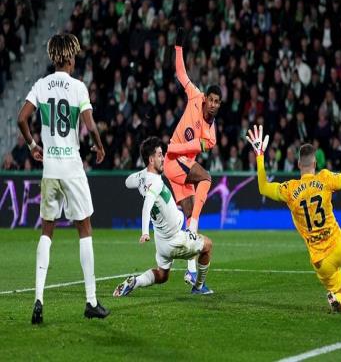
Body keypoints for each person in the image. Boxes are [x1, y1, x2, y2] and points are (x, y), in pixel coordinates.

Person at [247, 126, 341, 312]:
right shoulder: (325, 179)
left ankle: (336, 297)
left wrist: (259, 155)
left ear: (299, 164)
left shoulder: (288, 190)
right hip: (337, 245)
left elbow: (263, 187)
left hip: (320, 261)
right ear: (315, 163)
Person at [17, 33, 109, 324]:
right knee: (85, 229)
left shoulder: (41, 85)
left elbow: (21, 118)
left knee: (47, 232)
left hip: (50, 169)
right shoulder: (78, 87)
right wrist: (99, 145)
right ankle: (91, 301)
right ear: (69, 57)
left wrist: (33, 146)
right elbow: (89, 124)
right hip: (71, 167)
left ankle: (38, 298)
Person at [113, 137, 214, 297]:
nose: (163, 158)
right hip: (174, 239)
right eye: (160, 155)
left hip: (161, 240)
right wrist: (144, 232)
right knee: (207, 245)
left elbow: (127, 182)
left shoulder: (144, 177)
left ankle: (135, 281)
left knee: (162, 275)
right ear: (151, 160)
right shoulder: (156, 183)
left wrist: (141, 176)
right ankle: (198, 286)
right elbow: (147, 205)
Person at [163, 28, 221, 287]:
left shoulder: (211, 136)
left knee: (187, 213)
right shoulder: (195, 96)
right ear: (205, 98)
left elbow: (188, 147)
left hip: (177, 161)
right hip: (176, 163)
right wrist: (178, 47)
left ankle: (189, 271)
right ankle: (194, 226)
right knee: (206, 177)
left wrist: (172, 148)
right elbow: (181, 74)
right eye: (211, 100)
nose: (213, 104)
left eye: (218, 102)